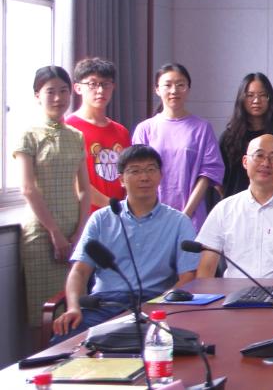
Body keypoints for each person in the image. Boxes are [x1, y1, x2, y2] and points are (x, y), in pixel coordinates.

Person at [50, 145, 199, 341]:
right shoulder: (101, 219)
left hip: (154, 304)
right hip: (105, 306)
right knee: (65, 341)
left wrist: (159, 305)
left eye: (151, 170)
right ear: (121, 179)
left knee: (169, 343)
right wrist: (73, 307)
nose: (144, 177)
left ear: (160, 176)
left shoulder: (179, 222)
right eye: (135, 171)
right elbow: (79, 271)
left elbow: (188, 276)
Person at [16, 66, 91, 331]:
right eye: (50, 92)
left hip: (73, 230)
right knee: (45, 312)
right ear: (37, 95)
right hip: (41, 231)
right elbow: (28, 188)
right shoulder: (28, 134)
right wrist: (55, 233)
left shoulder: (76, 136)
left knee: (75, 308)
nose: (58, 98)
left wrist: (80, 231)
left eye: (63, 91)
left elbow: (85, 189)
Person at [196, 135, 273, 279]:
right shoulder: (223, 209)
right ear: (245, 162)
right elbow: (206, 269)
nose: (266, 163)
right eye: (259, 155)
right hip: (233, 291)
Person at [132, 63, 224, 232]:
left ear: (188, 89)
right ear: (157, 89)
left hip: (191, 218)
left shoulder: (202, 128)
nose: (174, 90)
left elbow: (208, 173)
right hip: (150, 216)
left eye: (180, 85)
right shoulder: (145, 129)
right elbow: (137, 174)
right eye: (167, 85)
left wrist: (185, 215)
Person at [66, 57, 131, 212]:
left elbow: (128, 174)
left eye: (106, 84)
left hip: (119, 215)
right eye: (92, 84)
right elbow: (72, 179)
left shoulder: (121, 131)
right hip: (84, 216)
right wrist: (112, 206)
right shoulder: (68, 128)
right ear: (78, 88)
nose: (100, 90)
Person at [219, 73, 273, 196]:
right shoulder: (228, 138)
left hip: (272, 204)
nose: (256, 101)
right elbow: (219, 181)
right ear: (242, 99)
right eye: (250, 95)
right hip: (236, 204)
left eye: (262, 95)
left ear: (270, 99)